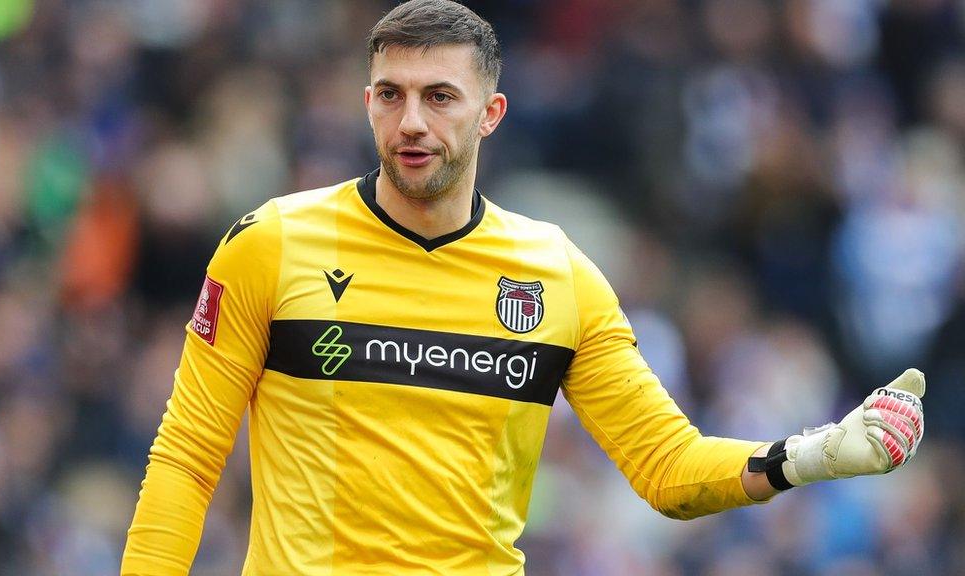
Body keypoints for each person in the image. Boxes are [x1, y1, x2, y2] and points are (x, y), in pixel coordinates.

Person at [121, 1, 926, 574]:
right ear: (367, 103)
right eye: (392, 96)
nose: (412, 123)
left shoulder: (558, 275)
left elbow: (667, 470)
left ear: (491, 113)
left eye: (441, 98)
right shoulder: (272, 244)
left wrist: (815, 455)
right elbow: (187, 460)